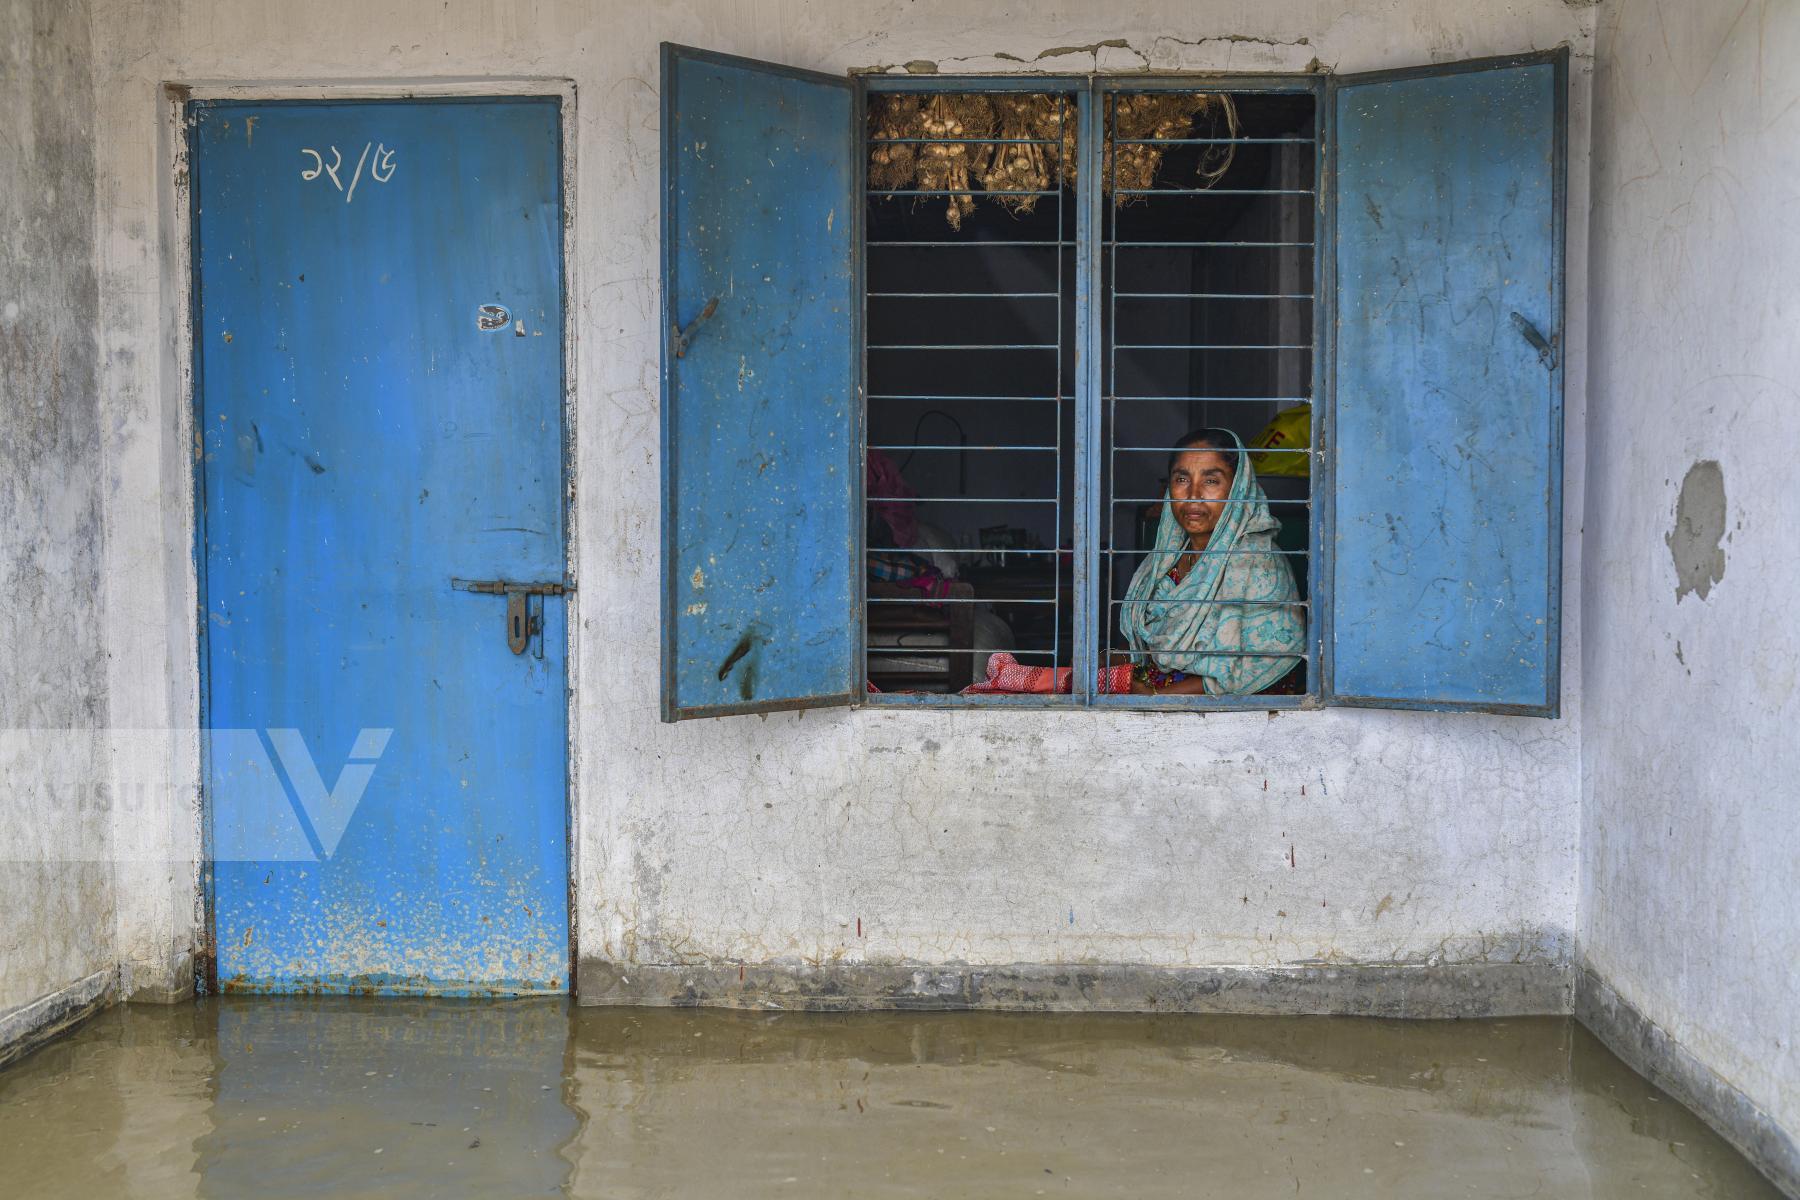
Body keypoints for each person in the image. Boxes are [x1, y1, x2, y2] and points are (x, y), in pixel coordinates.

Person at [1118, 427, 1304, 695]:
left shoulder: (1257, 561)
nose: (1193, 495)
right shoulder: (1161, 563)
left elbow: (1269, 664)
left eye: (1211, 481)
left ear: (1238, 487)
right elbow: (1148, 651)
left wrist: (1159, 699)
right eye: (1182, 479)